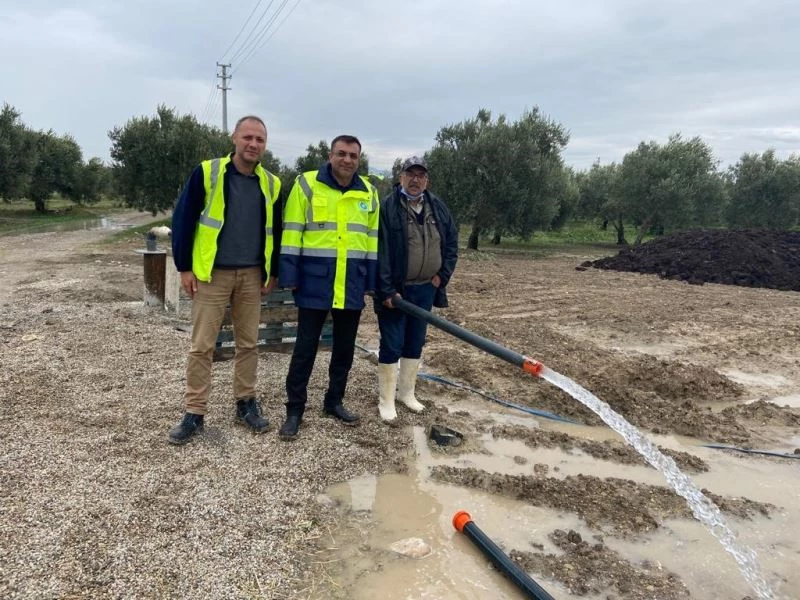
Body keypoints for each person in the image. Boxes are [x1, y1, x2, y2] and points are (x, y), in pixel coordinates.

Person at [167, 115, 282, 445]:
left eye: (259, 139)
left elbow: (276, 230)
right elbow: (184, 219)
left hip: (252, 275)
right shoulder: (208, 172)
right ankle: (194, 412)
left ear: (264, 145)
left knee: (248, 344)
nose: (253, 144)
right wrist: (185, 267)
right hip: (212, 274)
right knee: (202, 345)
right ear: (234, 138)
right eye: (248, 137)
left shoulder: (272, 183)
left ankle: (246, 404)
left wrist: (272, 272)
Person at [278, 135, 379, 440]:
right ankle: (294, 410)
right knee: (305, 349)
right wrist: (289, 276)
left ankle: (333, 402)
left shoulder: (369, 192)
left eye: (353, 155)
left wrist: (370, 281)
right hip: (315, 282)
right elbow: (291, 233)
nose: (347, 160)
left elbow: (372, 241)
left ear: (359, 160)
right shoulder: (307, 184)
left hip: (351, 283)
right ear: (330, 155)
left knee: (344, 350)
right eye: (341, 153)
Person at [374, 156, 458, 422]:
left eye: (420, 175)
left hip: (425, 290)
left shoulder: (438, 207)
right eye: (410, 174)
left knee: (415, 341)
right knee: (392, 342)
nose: (415, 179)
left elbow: (452, 243)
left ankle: (407, 394)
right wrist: (386, 290)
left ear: (426, 181)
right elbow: (380, 251)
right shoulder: (388, 207)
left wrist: (442, 276)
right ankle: (386, 400)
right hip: (396, 292)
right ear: (401, 177)